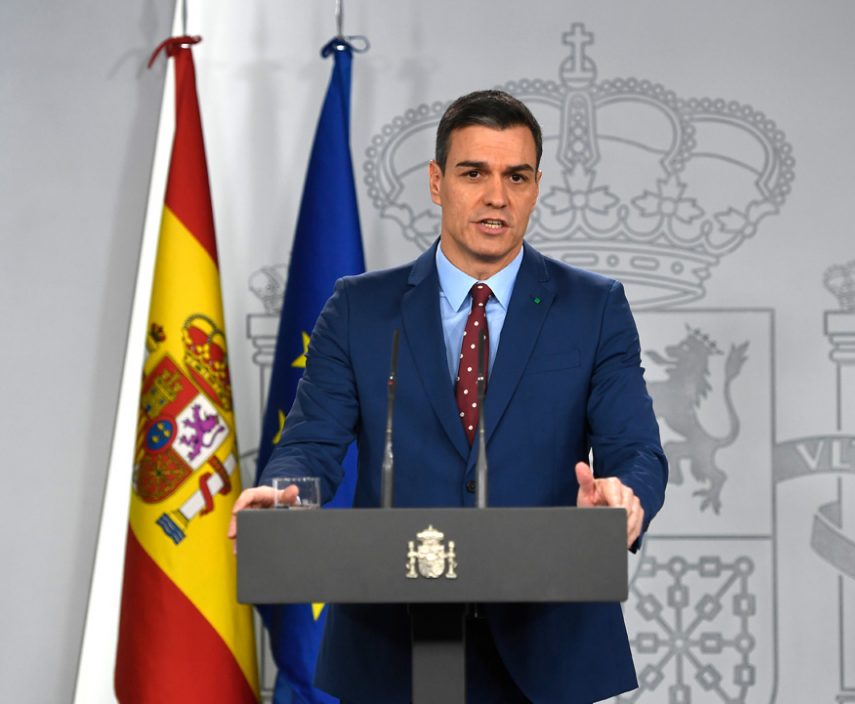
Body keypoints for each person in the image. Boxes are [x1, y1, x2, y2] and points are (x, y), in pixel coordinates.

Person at [229, 89, 668, 703]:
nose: (496, 196)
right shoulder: (360, 308)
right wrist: (285, 493)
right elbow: (311, 441)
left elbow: (635, 450)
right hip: (389, 644)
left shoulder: (593, 308)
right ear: (437, 182)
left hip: (549, 646)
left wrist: (627, 495)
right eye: (473, 173)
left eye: (516, 176)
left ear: (536, 186)